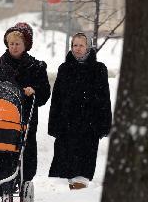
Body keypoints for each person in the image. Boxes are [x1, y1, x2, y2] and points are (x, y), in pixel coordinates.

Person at [0, 22, 51, 202]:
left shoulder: (36, 67)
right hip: (0, 117)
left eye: (18, 43)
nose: (14, 47)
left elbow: (44, 94)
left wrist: (33, 90)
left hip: (25, 117)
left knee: (23, 150)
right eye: (11, 43)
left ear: (26, 44)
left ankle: (23, 181)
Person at [48, 32, 112, 189]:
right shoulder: (64, 69)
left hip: (89, 125)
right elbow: (56, 98)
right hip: (67, 124)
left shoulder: (99, 69)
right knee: (68, 168)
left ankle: (77, 199)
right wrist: (54, 124)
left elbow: (105, 98)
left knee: (83, 168)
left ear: (88, 47)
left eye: (81, 45)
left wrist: (104, 124)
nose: (77, 48)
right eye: (74, 45)